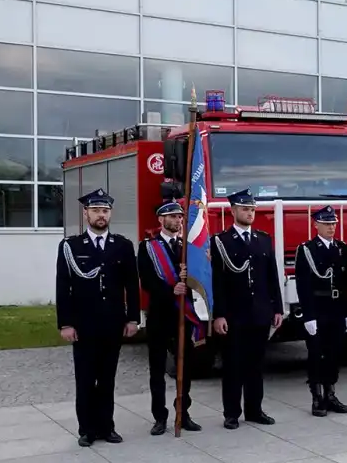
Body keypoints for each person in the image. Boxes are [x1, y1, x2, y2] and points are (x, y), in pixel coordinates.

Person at [56, 189, 139, 447]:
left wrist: (132, 319)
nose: (101, 215)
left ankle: (107, 426)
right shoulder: (70, 246)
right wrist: (66, 323)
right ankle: (87, 430)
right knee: (85, 378)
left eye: (105, 211)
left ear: (110, 214)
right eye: (95, 211)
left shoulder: (123, 246)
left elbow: (131, 286)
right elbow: (63, 286)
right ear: (86, 214)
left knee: (107, 378)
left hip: (112, 323)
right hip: (83, 325)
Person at [211, 189, 284, 429]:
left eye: (252, 209)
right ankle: (231, 412)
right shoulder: (221, 241)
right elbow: (218, 282)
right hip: (234, 314)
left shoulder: (263, 239)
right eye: (245, 209)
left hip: (260, 312)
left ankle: (255, 410)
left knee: (255, 365)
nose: (250, 213)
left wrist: (277, 308)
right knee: (233, 366)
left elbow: (272, 276)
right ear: (233, 211)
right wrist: (218, 314)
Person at [138, 200, 201, 436]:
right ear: (161, 220)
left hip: (183, 315)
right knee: (157, 369)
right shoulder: (148, 248)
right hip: (160, 315)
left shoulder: (187, 247)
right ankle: (160, 417)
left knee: (185, 367)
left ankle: (182, 413)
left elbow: (200, 279)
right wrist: (170, 289)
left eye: (180, 217)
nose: (177, 221)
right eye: (173, 217)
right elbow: (146, 281)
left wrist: (190, 277)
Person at [294, 206, 347, 417]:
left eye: (333, 224)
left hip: (337, 308)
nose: (331, 227)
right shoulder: (307, 249)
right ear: (316, 225)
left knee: (334, 353)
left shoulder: (342, 248)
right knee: (316, 354)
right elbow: (303, 285)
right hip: (318, 309)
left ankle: (331, 393)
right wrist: (308, 316)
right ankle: (317, 396)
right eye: (327, 223)